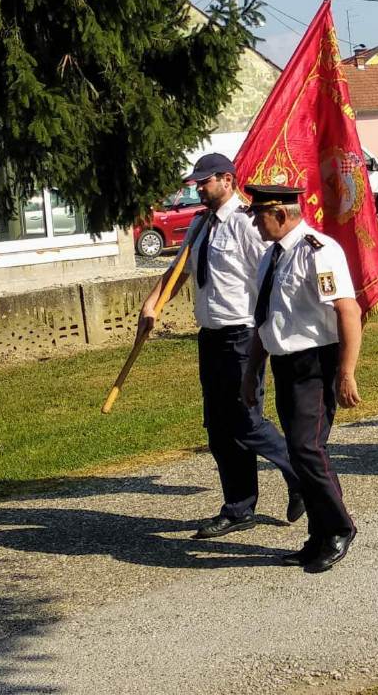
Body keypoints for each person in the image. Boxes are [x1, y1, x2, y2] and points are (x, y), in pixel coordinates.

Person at [137, 153, 302, 539]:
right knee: (219, 429)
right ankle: (239, 508)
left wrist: (271, 326)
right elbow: (178, 270)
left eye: (205, 181)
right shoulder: (199, 224)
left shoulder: (246, 223)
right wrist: (152, 304)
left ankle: (301, 474)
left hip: (242, 335)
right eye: (197, 182)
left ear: (227, 180)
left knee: (245, 421)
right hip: (210, 337)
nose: (199, 188)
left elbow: (271, 272)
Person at [243, 184, 363, 573]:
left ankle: (339, 529)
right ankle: (318, 535)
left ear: (281, 214)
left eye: (259, 216)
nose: (255, 224)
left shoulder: (319, 251)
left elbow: (348, 310)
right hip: (285, 365)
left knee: (307, 448)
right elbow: (265, 320)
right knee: (300, 452)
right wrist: (251, 371)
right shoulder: (271, 256)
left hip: (315, 363)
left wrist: (346, 371)